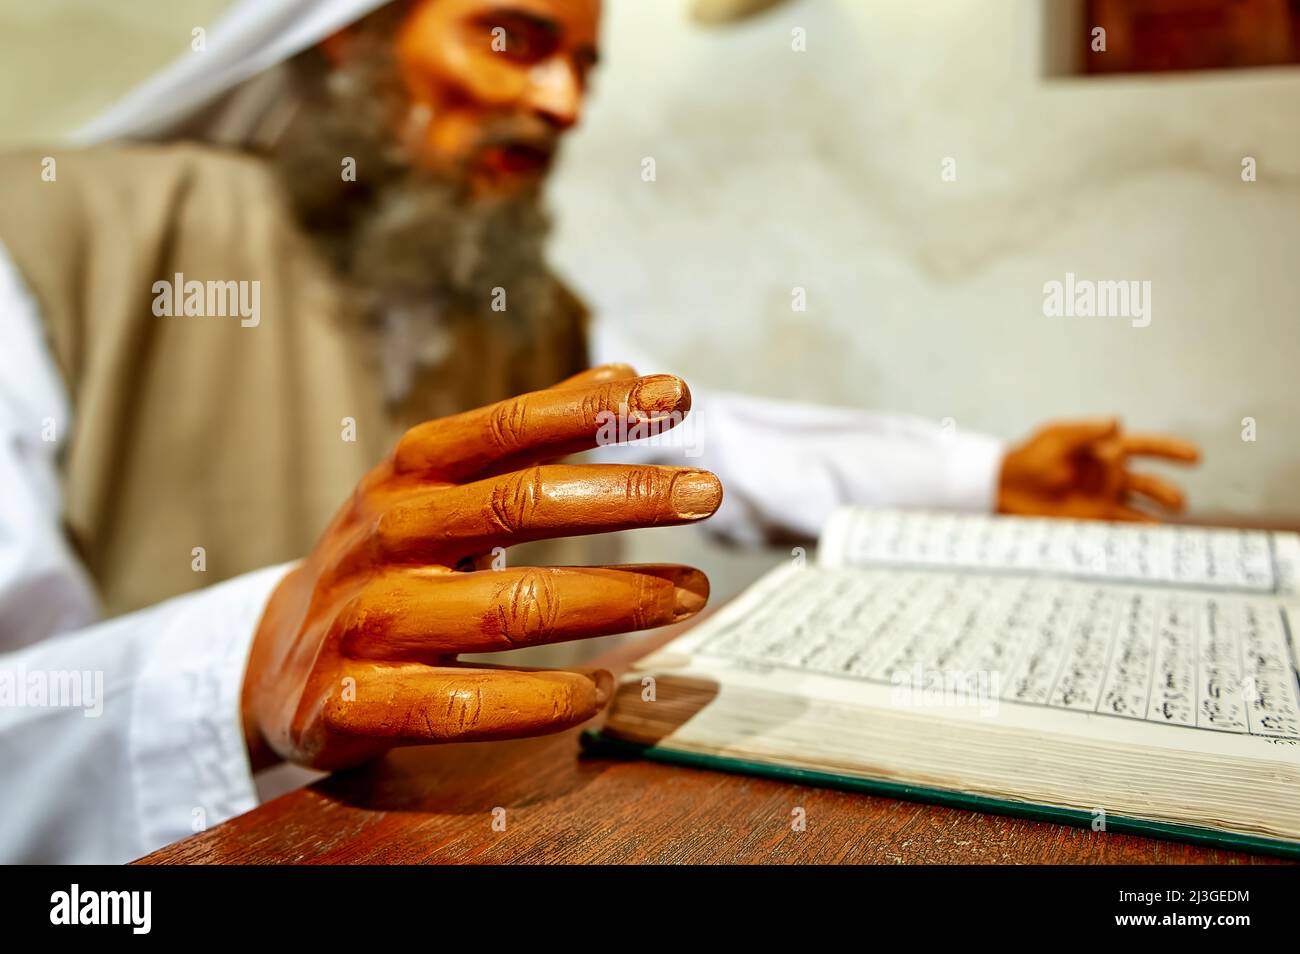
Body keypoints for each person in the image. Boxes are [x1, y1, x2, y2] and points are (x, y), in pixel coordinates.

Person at [0, 0, 1199, 863]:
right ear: (350, 32)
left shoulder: (522, 297)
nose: (561, 101)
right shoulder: (56, 247)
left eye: (584, 63)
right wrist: (246, 668)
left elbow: (708, 448)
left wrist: (987, 474)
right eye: (512, 37)